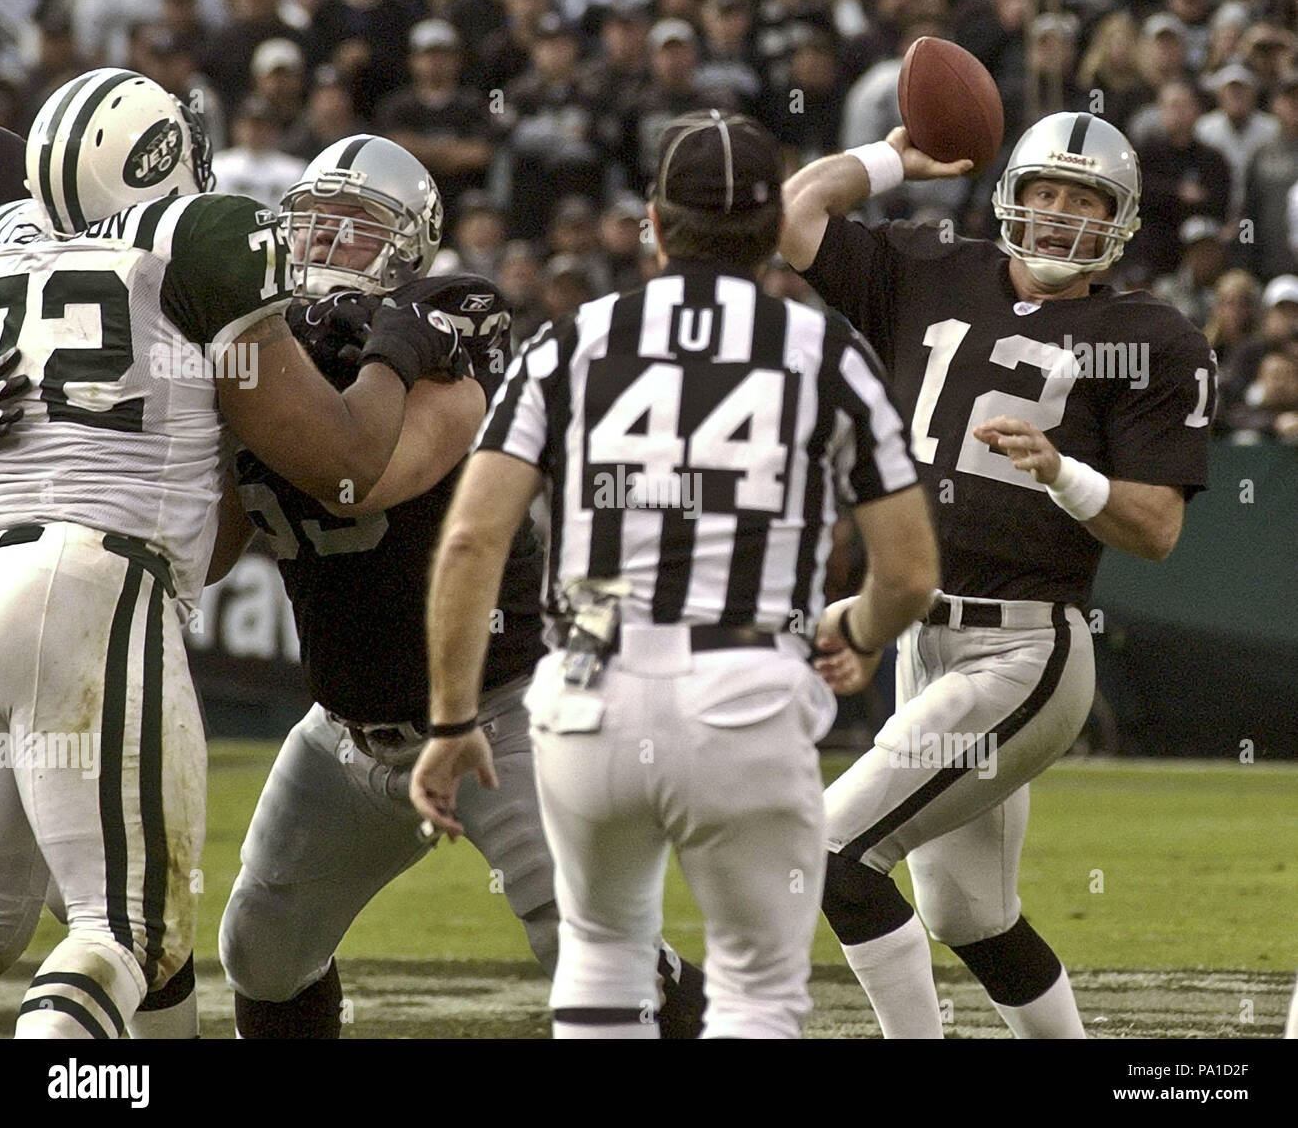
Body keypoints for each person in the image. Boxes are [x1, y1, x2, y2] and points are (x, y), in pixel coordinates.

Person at [411, 111, 940, 1039]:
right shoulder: (822, 354)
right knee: (756, 992)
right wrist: (852, 637)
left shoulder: (567, 344)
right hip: (747, 691)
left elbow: (468, 544)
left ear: (654, 221)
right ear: (772, 222)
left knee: (604, 956)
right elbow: (908, 572)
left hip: (587, 693)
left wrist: (453, 718)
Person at [0, 69, 461, 1039]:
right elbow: (339, 464)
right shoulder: (205, 237)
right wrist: (399, 347)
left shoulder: (8, 245)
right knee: (124, 931)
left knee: (7, 924)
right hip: (93, 576)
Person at [214, 134, 707, 1039]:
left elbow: (362, 479)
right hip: (345, 731)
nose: (322, 249)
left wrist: (382, 357)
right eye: (309, 227)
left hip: (498, 714)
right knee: (260, 952)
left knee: (587, 957)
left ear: (406, 247)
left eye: (353, 230)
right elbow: (211, 553)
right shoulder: (259, 364)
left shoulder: (440, 336)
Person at [779, 111, 1217, 1038]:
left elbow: (1157, 529)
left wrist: (1062, 472)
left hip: (1025, 649)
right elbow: (795, 214)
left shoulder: (1151, 336)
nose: (1059, 215)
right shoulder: (933, 267)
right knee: (970, 914)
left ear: (1121, 220)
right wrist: (888, 159)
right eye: (1045, 192)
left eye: (1084, 199)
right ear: (1010, 199)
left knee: (828, 852)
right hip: (919, 637)